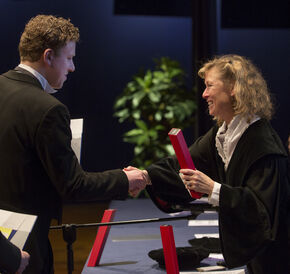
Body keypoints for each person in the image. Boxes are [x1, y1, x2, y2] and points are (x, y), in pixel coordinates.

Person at [0, 14, 146, 273]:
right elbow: (73, 186)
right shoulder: (48, 109)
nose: (72, 67)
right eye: (68, 58)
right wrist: (126, 180)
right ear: (48, 56)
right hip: (25, 246)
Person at [127, 54, 290, 273]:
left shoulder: (263, 145)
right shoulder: (224, 134)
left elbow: (262, 212)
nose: (204, 94)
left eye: (209, 86)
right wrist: (146, 176)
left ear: (233, 88)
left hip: (276, 260)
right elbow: (183, 165)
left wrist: (213, 189)